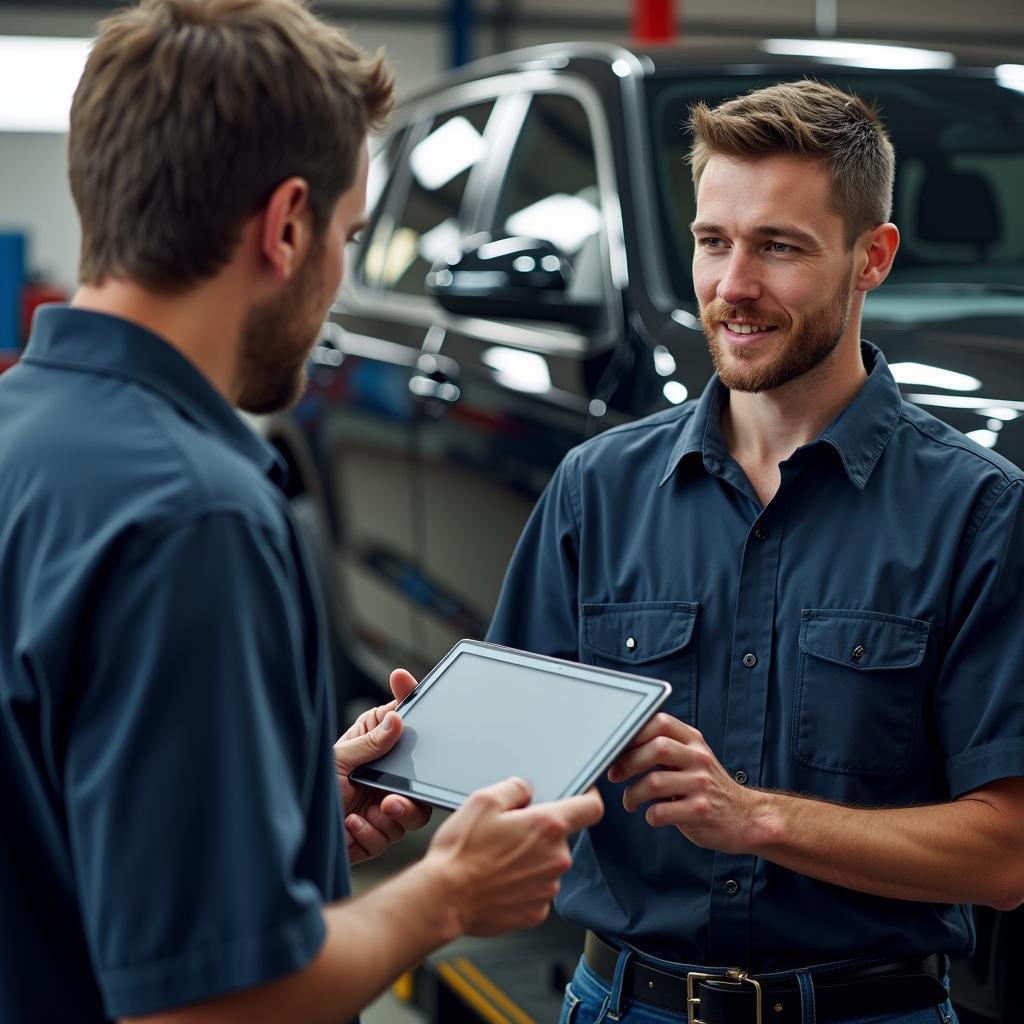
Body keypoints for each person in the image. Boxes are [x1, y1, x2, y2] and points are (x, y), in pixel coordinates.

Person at [0, 2, 603, 1022]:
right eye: (349, 236)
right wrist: (445, 891)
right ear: (285, 225)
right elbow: (212, 1006)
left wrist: (272, 809)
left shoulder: (24, 436)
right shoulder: (196, 517)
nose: (338, 280)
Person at [487, 79, 1024, 1024]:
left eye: (778, 247)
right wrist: (400, 766)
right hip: (622, 1004)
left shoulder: (977, 514)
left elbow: (1007, 854)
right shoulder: (595, 491)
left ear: (873, 258)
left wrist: (757, 819)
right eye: (712, 241)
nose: (732, 286)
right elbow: (512, 767)